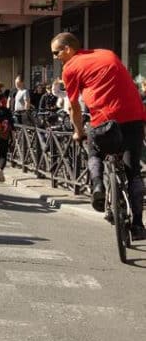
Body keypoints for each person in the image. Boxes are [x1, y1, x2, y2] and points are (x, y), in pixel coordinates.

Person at [54, 32, 146, 240]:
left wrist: (78, 132)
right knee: (134, 173)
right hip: (135, 117)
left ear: (68, 49)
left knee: (94, 151)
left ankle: (98, 186)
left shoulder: (70, 68)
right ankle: (139, 225)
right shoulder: (107, 54)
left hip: (105, 121)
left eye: (56, 52)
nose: (55, 57)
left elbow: (74, 107)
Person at [0, 94, 14, 183]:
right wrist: (13, 138)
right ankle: (0, 168)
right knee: (3, 155)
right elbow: (12, 125)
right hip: (4, 135)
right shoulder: (7, 111)